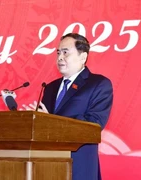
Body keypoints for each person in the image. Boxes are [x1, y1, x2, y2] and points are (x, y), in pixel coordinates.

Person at [22, 33, 113, 180]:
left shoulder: (98, 84)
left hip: (79, 166)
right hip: (48, 167)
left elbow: (94, 124)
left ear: (83, 57)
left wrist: (51, 121)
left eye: (65, 52)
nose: (59, 57)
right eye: (58, 53)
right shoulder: (51, 87)